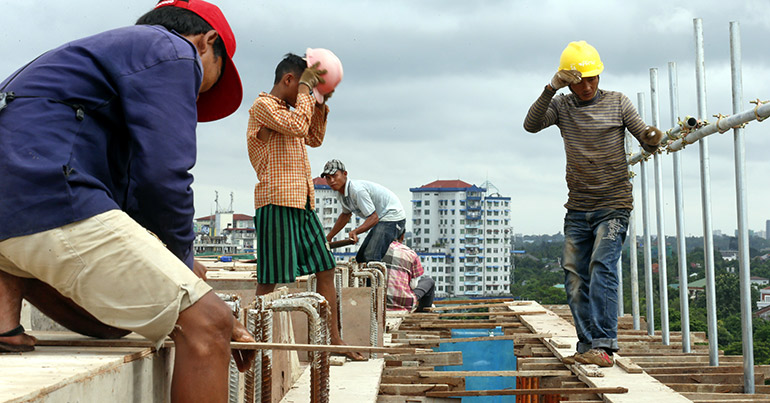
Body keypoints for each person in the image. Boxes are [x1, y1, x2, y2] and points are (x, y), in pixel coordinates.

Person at [0, 1, 256, 401]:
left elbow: (132, 202)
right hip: (46, 195)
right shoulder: (173, 50)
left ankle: (6, 305)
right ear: (208, 43)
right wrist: (186, 270)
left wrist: (182, 270)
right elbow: (163, 178)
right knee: (208, 323)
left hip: (15, 209)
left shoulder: (88, 59)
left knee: (118, 321)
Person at [523, 41, 663, 367]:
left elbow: (643, 133)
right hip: (578, 208)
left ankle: (604, 344)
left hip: (613, 204)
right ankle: (587, 345)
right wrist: (549, 88)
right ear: (568, 81)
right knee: (573, 277)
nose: (587, 86)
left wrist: (652, 139)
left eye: (593, 79)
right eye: (579, 80)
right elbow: (530, 125)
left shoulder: (618, 103)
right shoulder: (561, 106)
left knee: (602, 266)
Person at [246, 53, 365, 361]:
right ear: (289, 80)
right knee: (269, 279)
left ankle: (334, 337)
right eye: (301, 85)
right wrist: (305, 94)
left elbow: (313, 136)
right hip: (276, 201)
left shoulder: (289, 110)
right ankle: (251, 342)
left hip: (302, 201)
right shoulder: (264, 106)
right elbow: (299, 127)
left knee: (325, 267)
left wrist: (320, 102)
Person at [322, 159, 407, 263]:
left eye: (335, 176)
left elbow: (373, 218)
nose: (331, 181)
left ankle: (376, 278)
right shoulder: (340, 194)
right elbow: (345, 215)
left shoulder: (357, 190)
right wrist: (329, 237)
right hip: (381, 219)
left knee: (371, 256)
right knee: (361, 258)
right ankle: (367, 279)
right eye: (328, 178)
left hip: (392, 217)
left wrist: (355, 232)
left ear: (345, 174)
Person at [382, 229, 435, 312]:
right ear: (402, 236)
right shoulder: (410, 253)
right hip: (403, 303)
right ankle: (422, 313)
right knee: (429, 281)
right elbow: (413, 285)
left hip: (377, 302)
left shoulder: (373, 250)